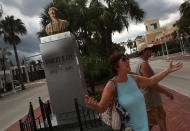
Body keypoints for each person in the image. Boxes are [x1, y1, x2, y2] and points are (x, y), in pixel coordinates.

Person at [85, 52, 183, 131]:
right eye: (124, 59)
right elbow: (102, 109)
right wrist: (95, 105)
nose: (128, 60)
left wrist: (167, 71)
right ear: (116, 66)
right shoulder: (111, 85)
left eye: (127, 58)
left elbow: (151, 81)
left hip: (144, 127)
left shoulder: (133, 79)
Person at [135, 42, 173, 131]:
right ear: (144, 51)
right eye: (149, 49)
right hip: (150, 99)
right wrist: (166, 92)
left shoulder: (142, 63)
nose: (151, 51)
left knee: (161, 117)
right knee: (150, 123)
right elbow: (151, 84)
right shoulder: (143, 64)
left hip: (152, 99)